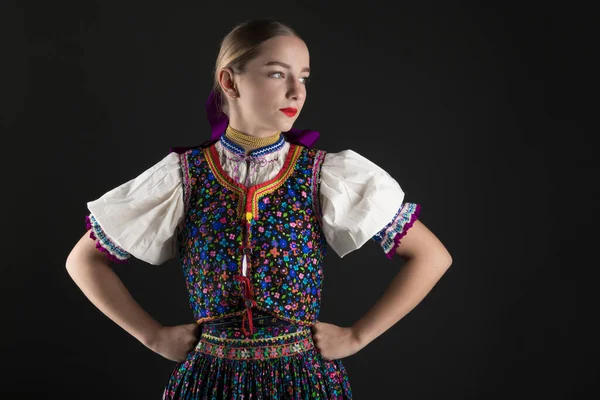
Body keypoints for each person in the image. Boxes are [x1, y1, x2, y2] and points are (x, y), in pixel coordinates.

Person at [66, 19, 452, 399]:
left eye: (303, 77)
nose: (295, 92)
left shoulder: (323, 175)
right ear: (230, 82)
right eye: (277, 74)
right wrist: (152, 336)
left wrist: (357, 336)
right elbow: (83, 260)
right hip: (210, 382)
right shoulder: (184, 177)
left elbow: (431, 256)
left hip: (303, 381)